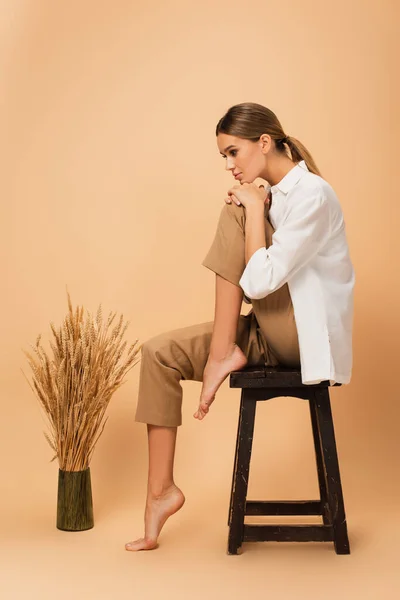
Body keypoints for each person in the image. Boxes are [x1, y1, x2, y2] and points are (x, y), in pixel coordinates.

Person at [125, 102, 355, 552]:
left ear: (264, 143)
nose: (230, 166)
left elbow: (260, 279)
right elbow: (258, 282)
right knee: (157, 353)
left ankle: (221, 354)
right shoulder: (273, 195)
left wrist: (250, 208)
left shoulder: (314, 195)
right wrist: (256, 202)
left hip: (302, 341)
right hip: (267, 331)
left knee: (234, 210)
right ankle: (160, 493)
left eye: (234, 153)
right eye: (224, 157)